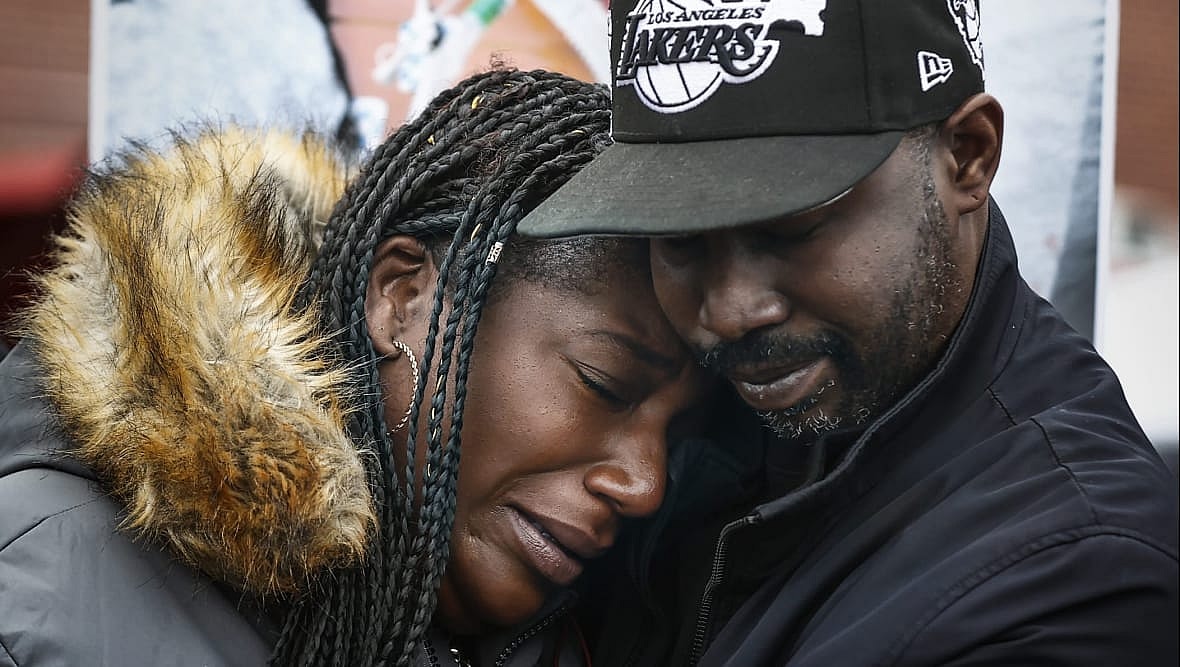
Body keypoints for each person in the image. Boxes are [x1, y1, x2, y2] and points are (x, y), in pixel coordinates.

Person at [517, 1, 1180, 665]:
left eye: (793, 227)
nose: (727, 311)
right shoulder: (680, 412)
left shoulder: (1076, 582)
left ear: (968, 157)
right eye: (680, 239)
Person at [0, 69, 702, 666]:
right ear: (402, 297)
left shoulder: (569, 629)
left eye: (677, 435)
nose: (645, 483)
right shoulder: (38, 596)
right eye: (603, 383)